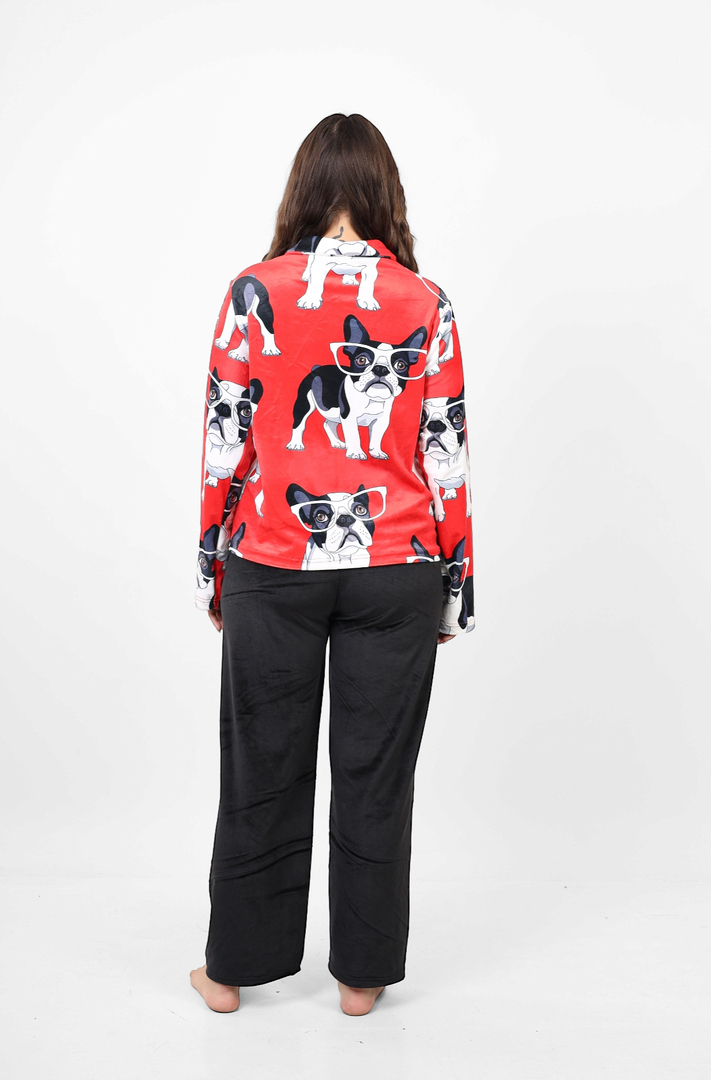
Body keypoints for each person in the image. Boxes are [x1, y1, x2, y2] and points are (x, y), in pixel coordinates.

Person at [189, 113, 475, 1016]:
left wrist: (212, 566)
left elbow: (225, 441)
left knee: (262, 770)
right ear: (386, 192)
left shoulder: (252, 290)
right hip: (398, 564)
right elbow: (445, 453)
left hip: (273, 557)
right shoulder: (425, 302)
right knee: (375, 779)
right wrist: (454, 587)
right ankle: (361, 977)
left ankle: (231, 973)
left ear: (303, 189)